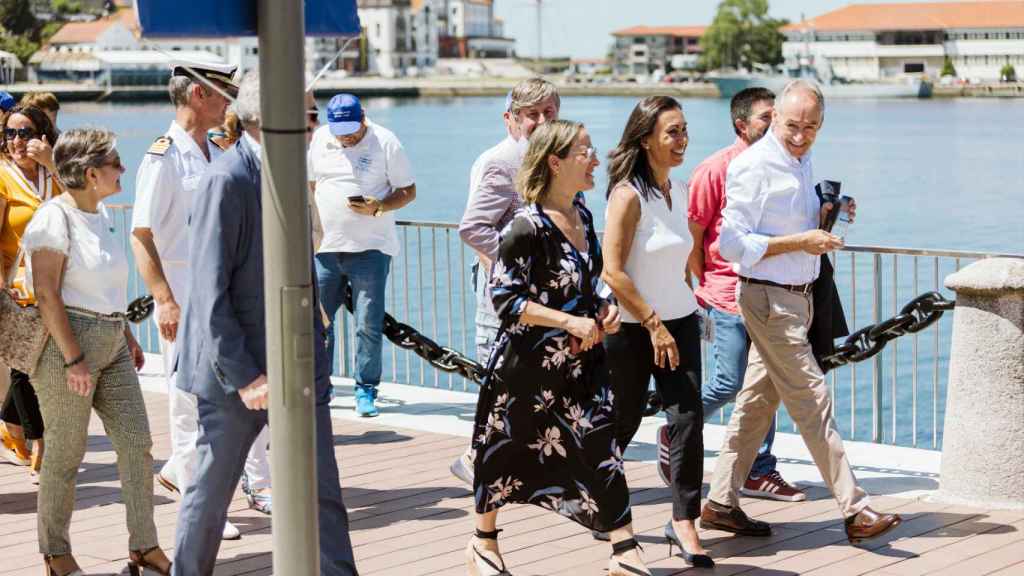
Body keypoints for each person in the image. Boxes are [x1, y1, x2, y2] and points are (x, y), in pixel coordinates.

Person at [172, 72, 358, 576]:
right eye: (310, 113)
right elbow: (208, 291)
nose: (317, 124)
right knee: (211, 494)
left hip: (298, 364)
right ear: (268, 118)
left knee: (322, 491)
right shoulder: (227, 178)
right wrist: (246, 375)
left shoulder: (293, 174)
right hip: (236, 372)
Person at [704, 79, 902, 544]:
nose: (800, 135)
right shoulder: (752, 166)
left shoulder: (800, 159)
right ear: (775, 118)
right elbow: (729, 244)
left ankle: (720, 504)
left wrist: (830, 210)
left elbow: (790, 218)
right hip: (769, 299)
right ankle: (855, 509)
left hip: (797, 298)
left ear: (821, 125)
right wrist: (801, 241)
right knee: (813, 399)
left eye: (810, 127)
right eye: (792, 125)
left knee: (756, 404)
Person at [469, 119, 651, 576]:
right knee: (502, 453)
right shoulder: (525, 227)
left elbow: (591, 286)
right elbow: (506, 300)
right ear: (555, 162)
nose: (595, 160)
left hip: (583, 366)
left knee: (603, 448)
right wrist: (567, 320)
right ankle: (483, 542)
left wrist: (605, 310)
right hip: (528, 368)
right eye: (585, 152)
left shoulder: (584, 217)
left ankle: (625, 551)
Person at [24, 127, 172, 576]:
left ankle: (144, 546)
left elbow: (107, 287)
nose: (122, 168)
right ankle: (55, 554)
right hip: (67, 346)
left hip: (111, 342)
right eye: (114, 163)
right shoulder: (53, 219)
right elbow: (47, 294)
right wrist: (74, 358)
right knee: (65, 455)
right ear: (91, 173)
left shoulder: (102, 213)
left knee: (137, 444)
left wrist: (125, 334)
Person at [130, 60, 271, 529]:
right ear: (197, 94)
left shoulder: (217, 150)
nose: (230, 101)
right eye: (222, 92)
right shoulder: (164, 157)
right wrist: (164, 299)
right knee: (188, 402)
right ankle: (199, 502)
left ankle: (237, 482)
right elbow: (141, 235)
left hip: (225, 296)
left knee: (240, 390)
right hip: (185, 297)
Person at [656, 87, 806, 502]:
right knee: (729, 381)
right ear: (742, 125)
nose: (776, 124)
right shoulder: (714, 169)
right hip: (726, 295)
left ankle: (759, 468)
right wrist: (704, 283)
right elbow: (694, 233)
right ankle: (674, 428)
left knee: (764, 381)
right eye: (766, 117)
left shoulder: (784, 164)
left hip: (769, 290)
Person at [600, 96, 712, 568]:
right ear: (646, 139)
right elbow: (612, 271)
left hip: (680, 323)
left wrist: (694, 302)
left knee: (687, 420)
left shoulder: (680, 191)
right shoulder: (627, 196)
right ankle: (601, 503)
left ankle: (685, 521)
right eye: (672, 132)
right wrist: (652, 323)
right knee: (622, 423)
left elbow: (679, 259)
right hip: (632, 329)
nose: (682, 139)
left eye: (684, 129)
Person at [453, 77, 560, 485]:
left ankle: (513, 466)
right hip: (506, 299)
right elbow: (474, 228)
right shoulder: (500, 162)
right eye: (532, 114)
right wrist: (518, 265)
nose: (541, 121)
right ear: (512, 119)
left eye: (548, 112)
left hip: (544, 300)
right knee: (503, 386)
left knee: (532, 386)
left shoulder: (554, 159)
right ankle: (477, 462)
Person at [309, 93, 416, 417]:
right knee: (318, 322)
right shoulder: (320, 139)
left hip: (371, 249)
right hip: (325, 248)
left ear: (364, 117)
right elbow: (311, 185)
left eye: (352, 132)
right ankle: (319, 386)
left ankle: (365, 389)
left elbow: (408, 191)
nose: (346, 138)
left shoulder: (386, 141)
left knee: (368, 323)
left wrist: (379, 206)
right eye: (340, 132)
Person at [0, 105, 59, 476]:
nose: (17, 141)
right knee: (24, 365)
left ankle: (9, 422)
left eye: (25, 132)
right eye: (10, 133)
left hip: (60, 285)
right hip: (17, 288)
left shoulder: (55, 173)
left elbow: (85, 204)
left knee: (49, 363)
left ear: (43, 135)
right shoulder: (3, 177)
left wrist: (52, 162)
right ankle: (41, 444)